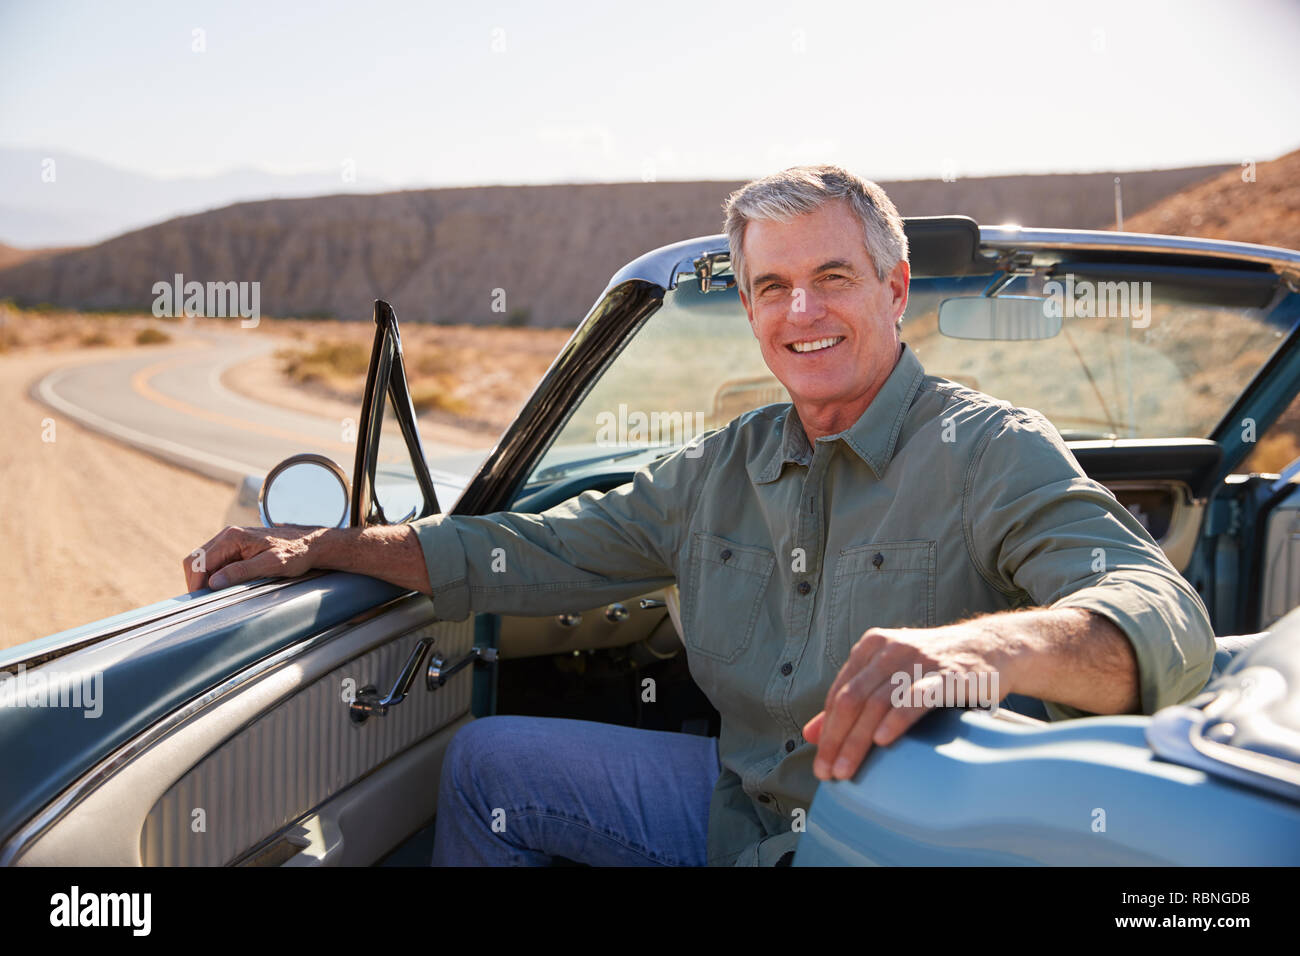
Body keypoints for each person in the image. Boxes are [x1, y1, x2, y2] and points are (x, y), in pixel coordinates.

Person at [185, 165, 1215, 866]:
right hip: (737, 802)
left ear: (895, 289)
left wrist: (973, 648)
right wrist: (321, 543)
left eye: (831, 278)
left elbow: (1159, 617)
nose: (800, 312)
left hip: (899, 838)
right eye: (772, 286)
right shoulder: (720, 465)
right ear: (751, 307)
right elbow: (523, 547)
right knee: (489, 761)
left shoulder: (988, 447)